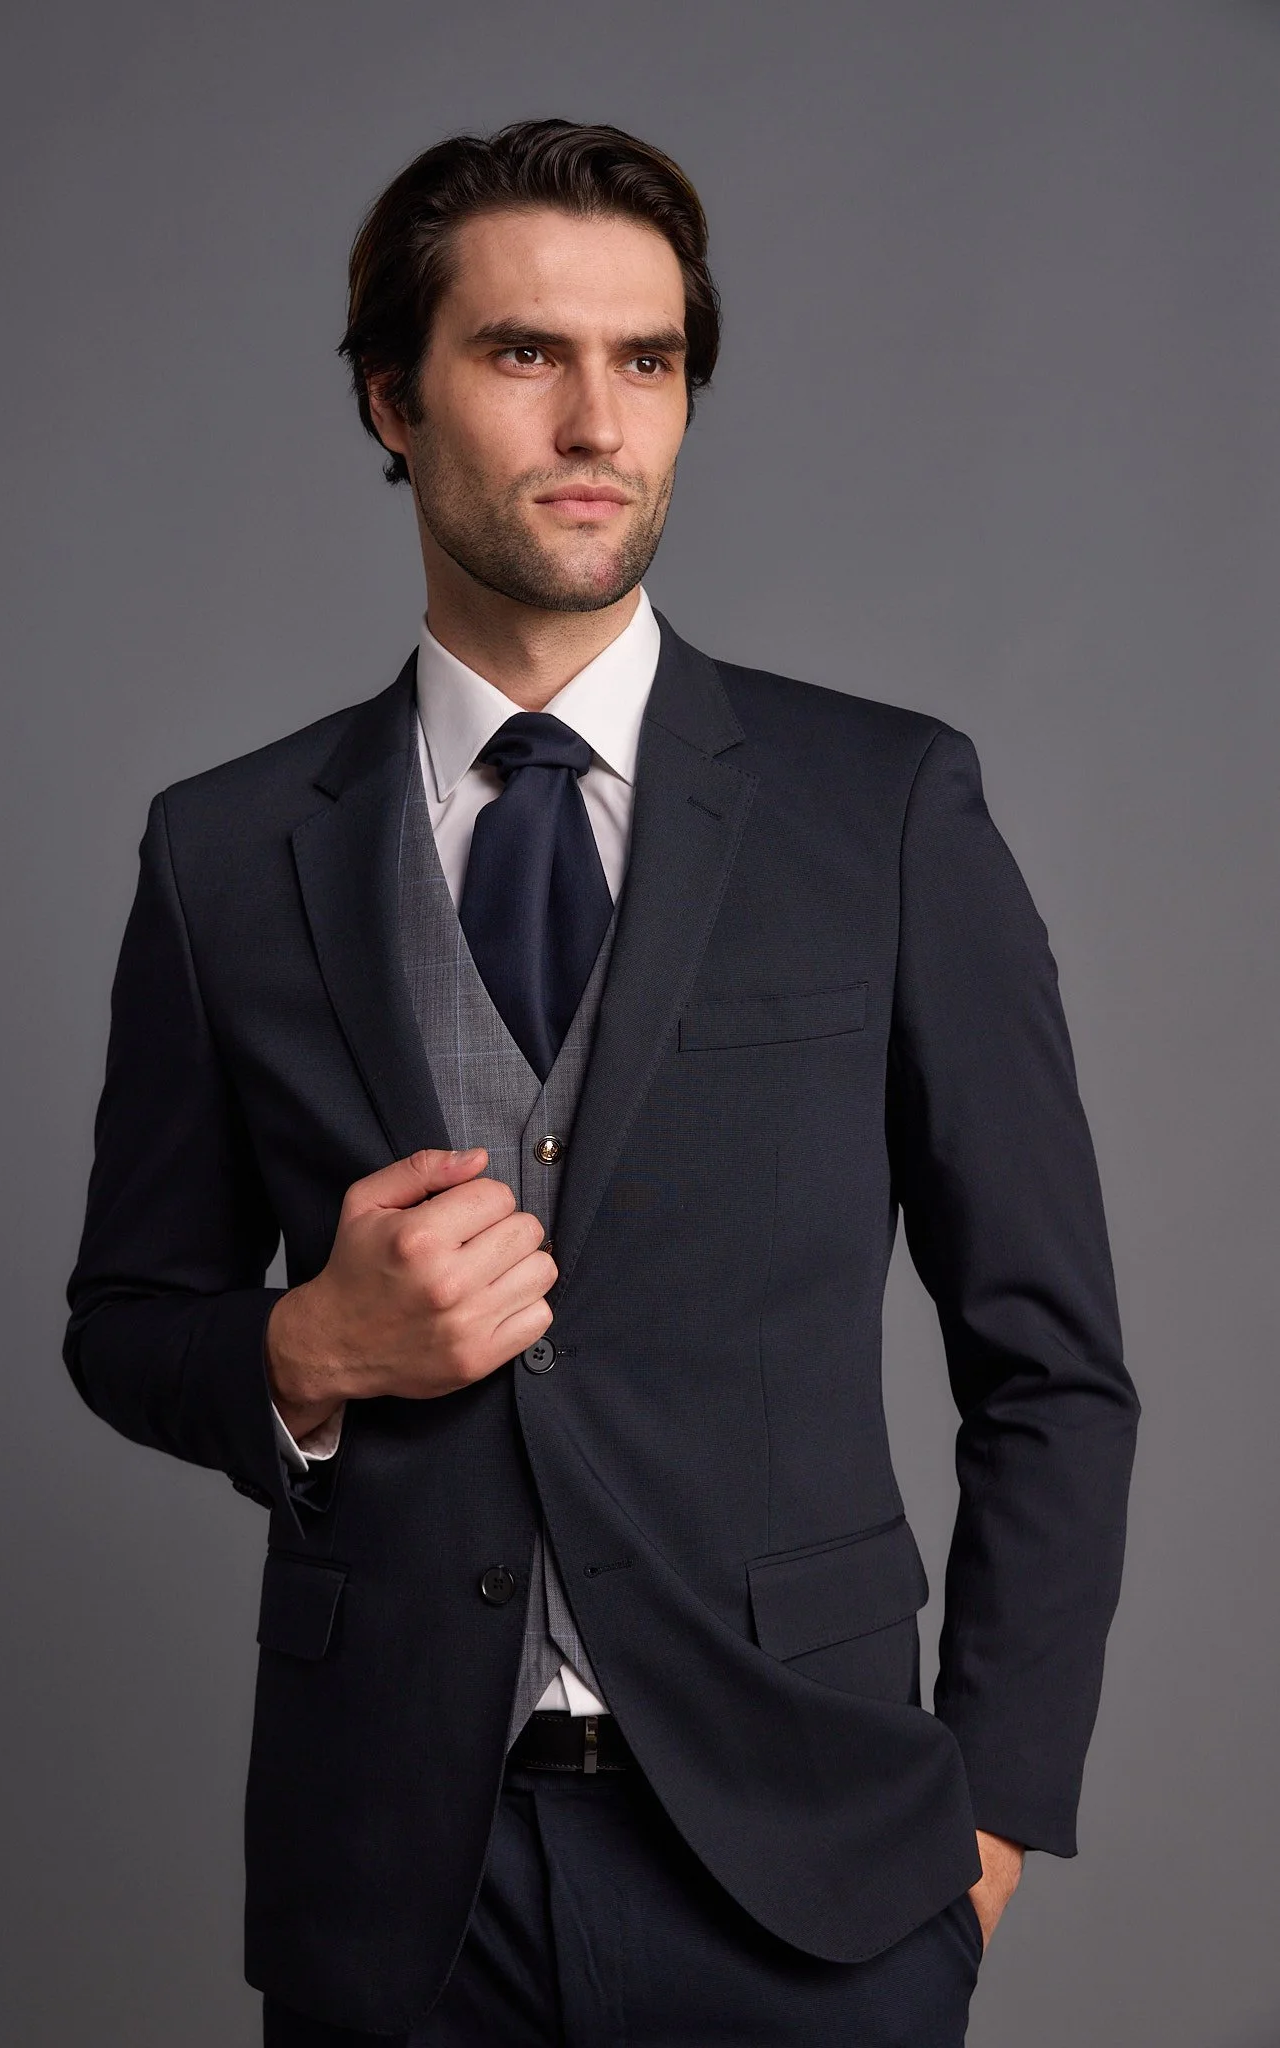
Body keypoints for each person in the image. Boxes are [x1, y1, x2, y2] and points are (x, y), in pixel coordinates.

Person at [64, 119, 1139, 2046]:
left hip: (810, 1876)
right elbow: (126, 1322)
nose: (596, 423)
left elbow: (1050, 1362)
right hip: (393, 1880)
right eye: (521, 355)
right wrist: (300, 1354)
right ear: (392, 400)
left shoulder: (880, 808)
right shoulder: (222, 853)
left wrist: (981, 1828)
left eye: (645, 362)